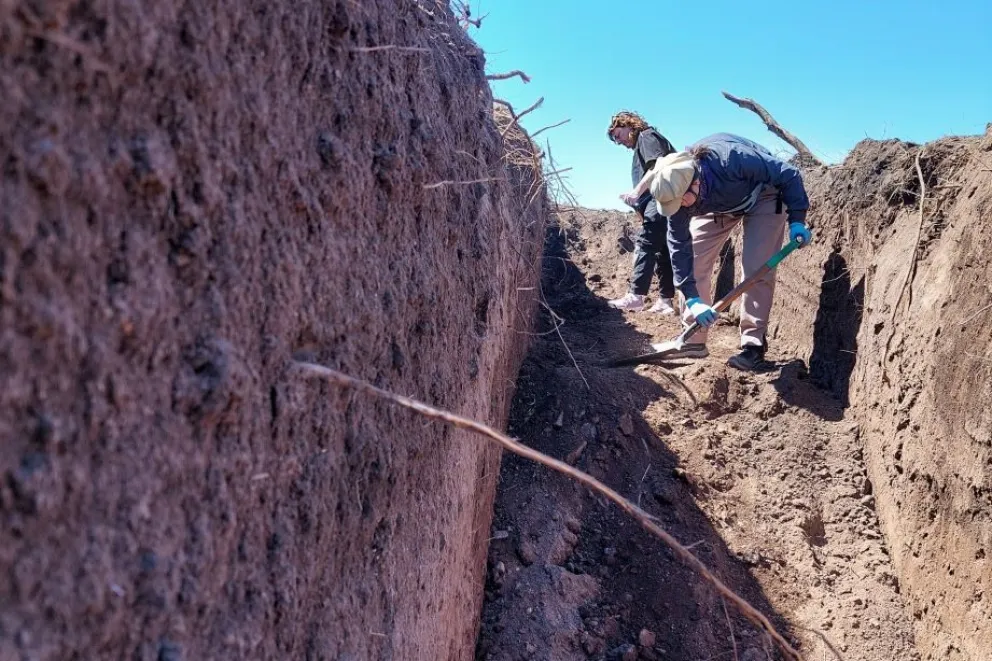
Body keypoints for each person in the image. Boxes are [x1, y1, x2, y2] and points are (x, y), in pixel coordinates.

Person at [620, 133, 813, 371]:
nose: (678, 208)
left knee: (757, 268)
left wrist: (797, 220)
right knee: (695, 258)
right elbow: (679, 250)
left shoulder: (733, 159)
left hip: (764, 193)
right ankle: (693, 340)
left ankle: (752, 345)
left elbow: (789, 174)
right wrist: (693, 299)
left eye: (681, 202)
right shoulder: (677, 197)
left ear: (695, 183)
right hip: (717, 204)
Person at [606, 111, 678, 314]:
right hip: (663, 199)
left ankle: (636, 296)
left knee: (646, 243)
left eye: (618, 135)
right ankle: (665, 301)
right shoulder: (643, 142)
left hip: (661, 197)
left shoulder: (647, 136)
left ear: (628, 125)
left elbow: (657, 167)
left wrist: (636, 192)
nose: (619, 141)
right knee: (663, 250)